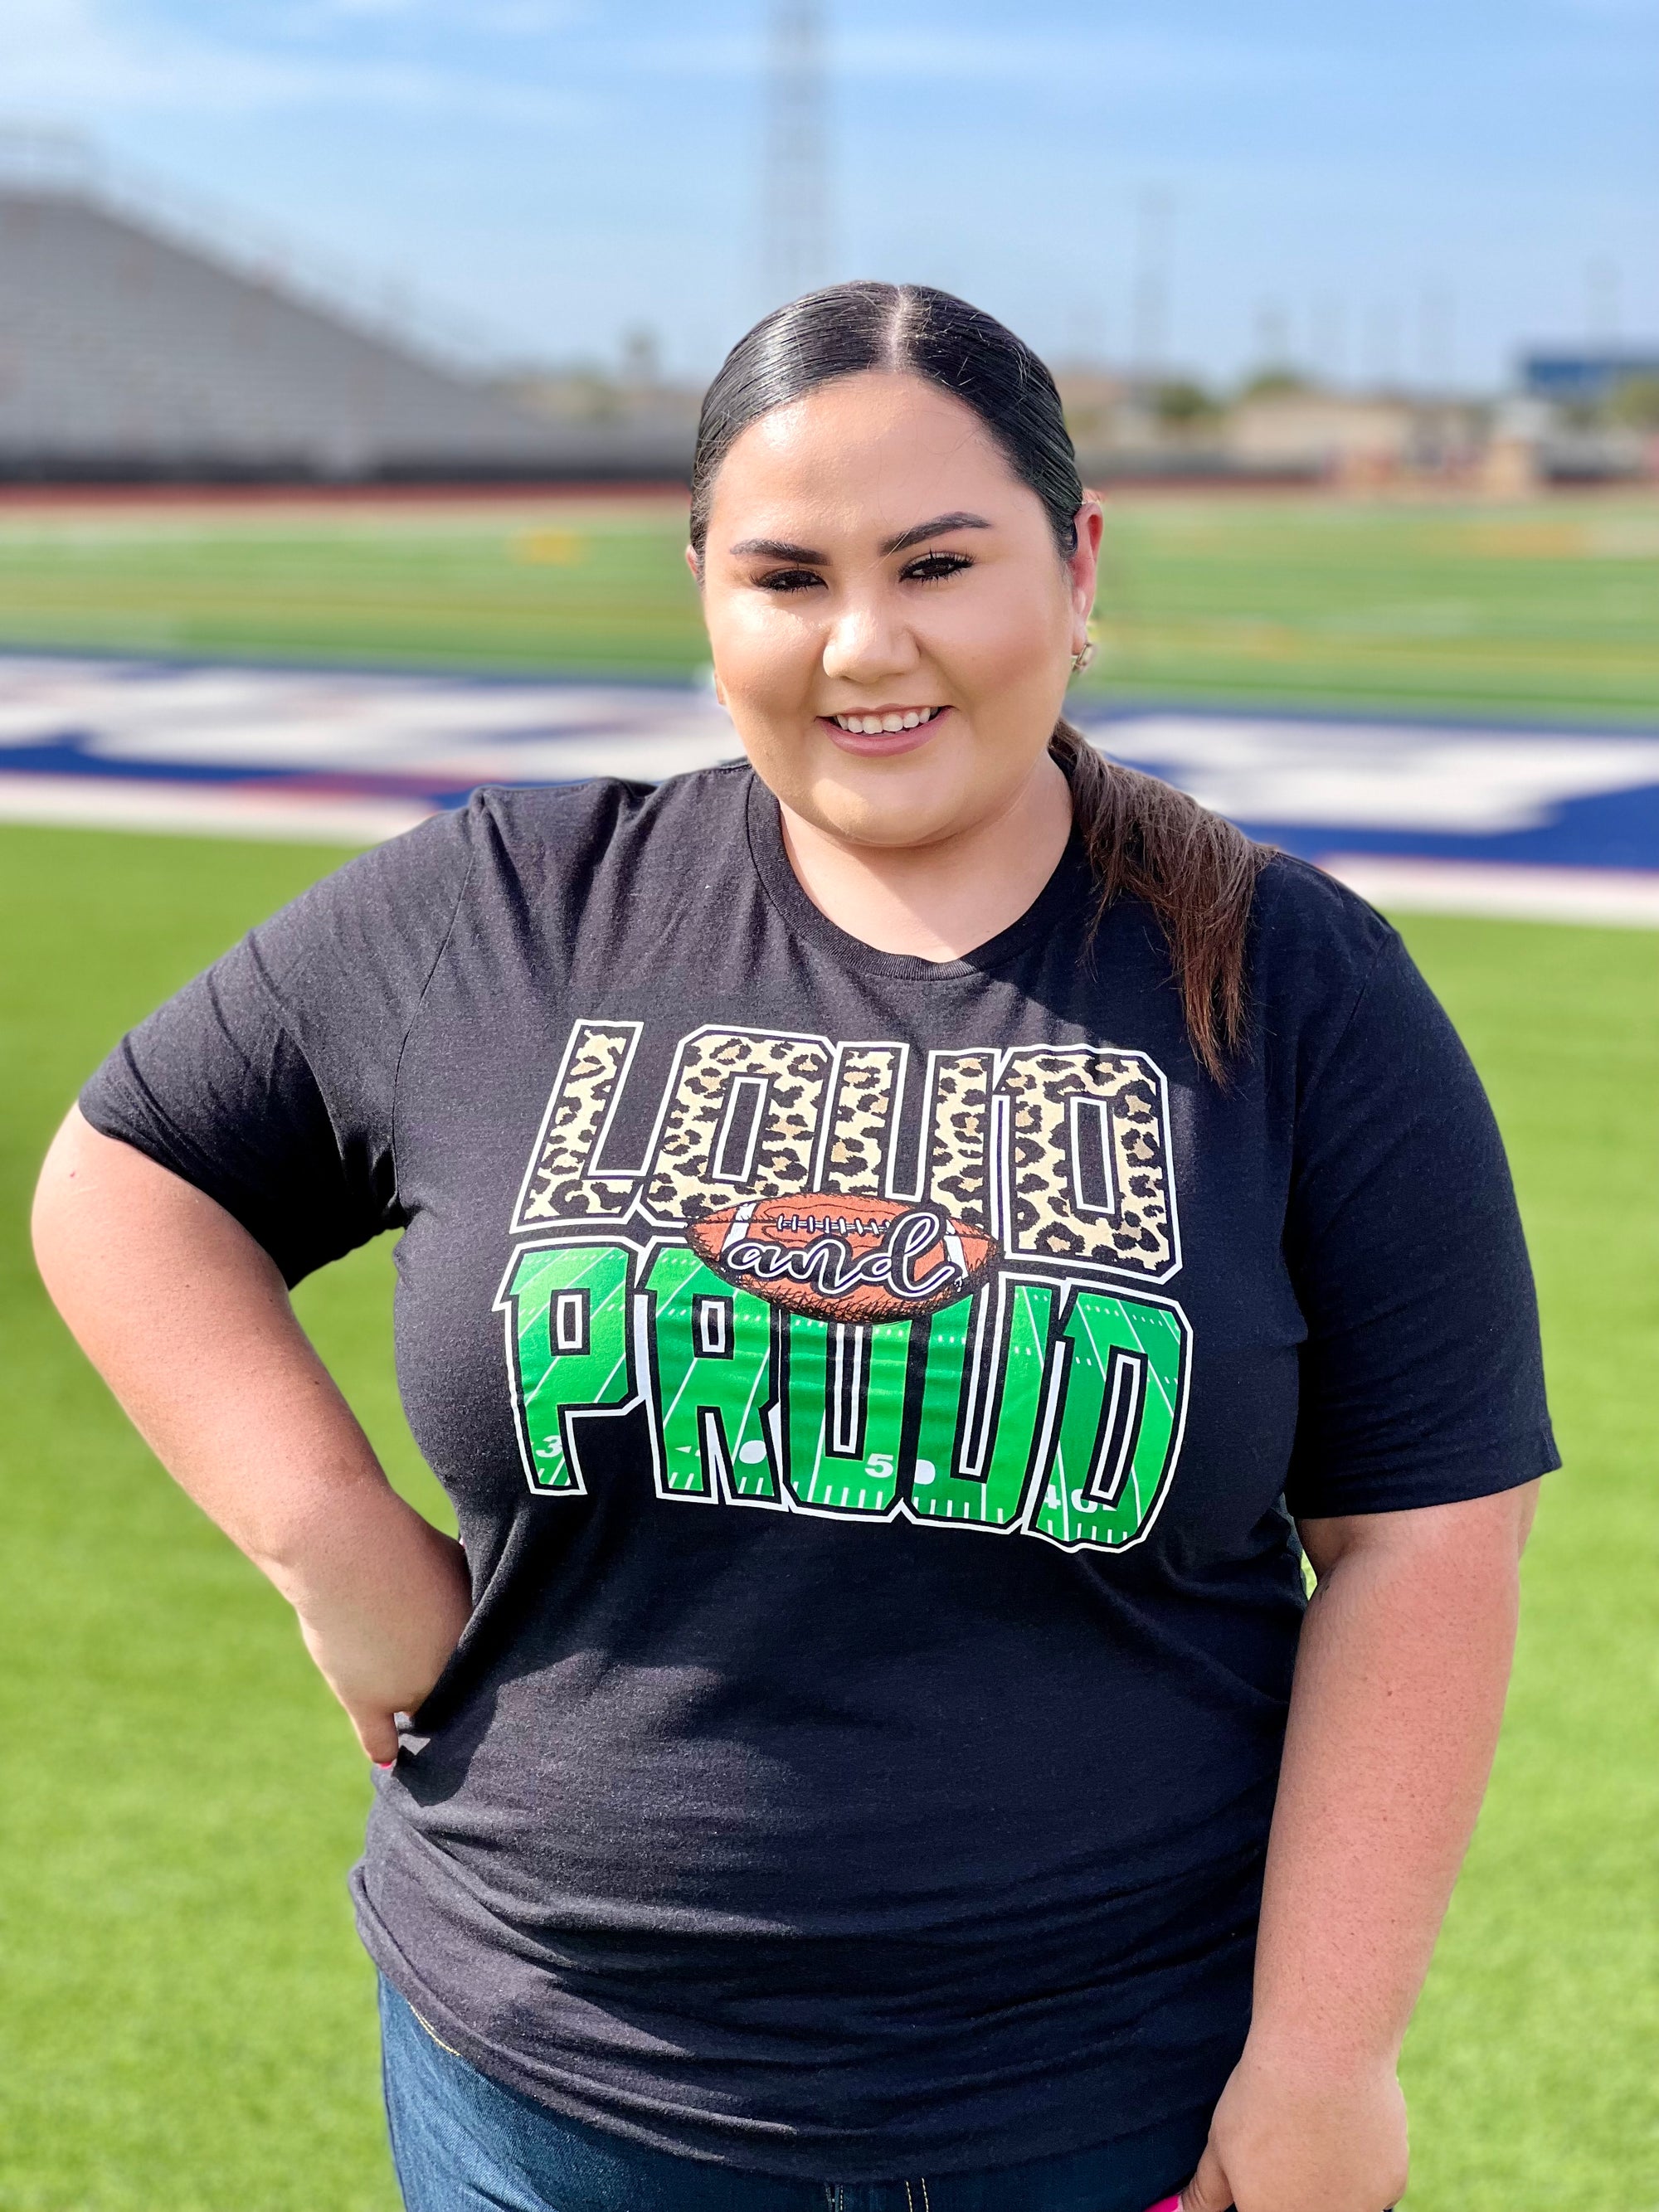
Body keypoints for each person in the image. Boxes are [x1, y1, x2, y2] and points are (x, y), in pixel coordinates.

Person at [32, 283, 1555, 2212]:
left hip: (1094, 2101)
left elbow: (1424, 1534)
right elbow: (127, 1169)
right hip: (541, 2080)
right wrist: (329, 1539)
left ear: (1077, 563)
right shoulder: (506, 908)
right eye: (785, 575)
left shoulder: (1287, 977)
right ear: (703, 595)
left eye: (938, 561)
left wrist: (1325, 2054)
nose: (865, 644)